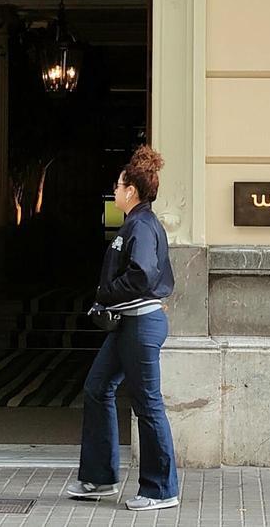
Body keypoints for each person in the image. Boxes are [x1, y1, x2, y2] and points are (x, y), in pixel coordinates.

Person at [65, 146, 179, 511]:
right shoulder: (137, 223)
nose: (114, 191)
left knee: (147, 404)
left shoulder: (142, 225)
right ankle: (99, 479)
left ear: (131, 190)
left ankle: (161, 490)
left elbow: (143, 273)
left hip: (141, 326)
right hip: (131, 325)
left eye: (117, 185)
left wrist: (107, 295)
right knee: (97, 387)